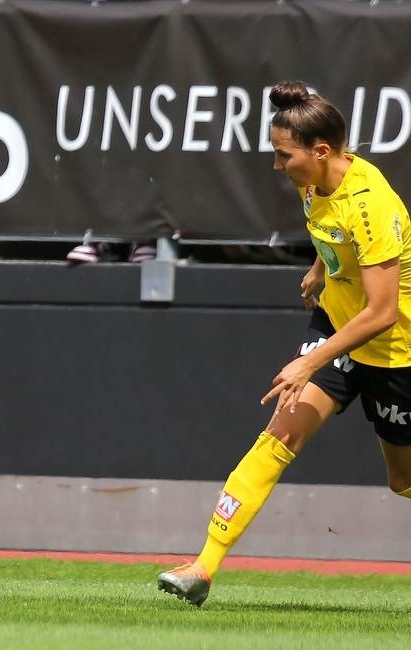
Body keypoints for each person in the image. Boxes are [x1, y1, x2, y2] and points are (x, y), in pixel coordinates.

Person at [157, 80, 411, 607]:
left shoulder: (373, 205)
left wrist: (307, 363)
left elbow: (383, 313)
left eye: (282, 155)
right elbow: (331, 230)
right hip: (337, 333)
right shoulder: (314, 179)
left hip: (393, 351)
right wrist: (322, 268)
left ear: (320, 152)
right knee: (278, 438)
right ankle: (202, 567)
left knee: (402, 480)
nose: (277, 166)